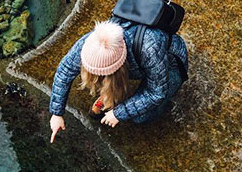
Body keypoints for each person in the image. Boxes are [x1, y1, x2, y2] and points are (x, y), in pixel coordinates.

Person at [49, 18, 188, 143]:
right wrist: (57, 113)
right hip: (136, 64)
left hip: (171, 64)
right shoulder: (93, 43)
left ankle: (117, 96)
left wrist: (118, 113)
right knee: (103, 80)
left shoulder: (150, 48)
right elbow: (64, 70)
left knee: (141, 117)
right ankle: (110, 95)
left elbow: (157, 92)